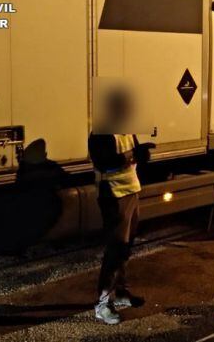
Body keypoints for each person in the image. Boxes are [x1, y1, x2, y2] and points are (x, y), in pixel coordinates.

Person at [89, 89, 154, 325]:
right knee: (116, 249)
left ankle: (121, 292)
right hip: (114, 195)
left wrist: (141, 155)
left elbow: (132, 156)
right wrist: (132, 155)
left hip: (131, 191)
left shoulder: (126, 128)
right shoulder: (100, 132)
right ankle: (102, 304)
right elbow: (104, 162)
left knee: (126, 247)